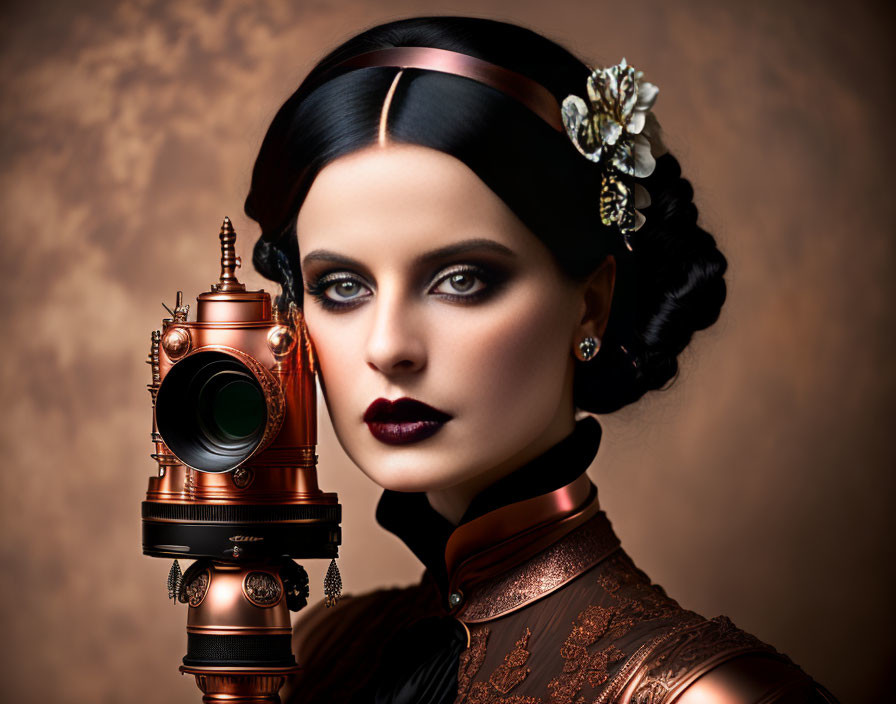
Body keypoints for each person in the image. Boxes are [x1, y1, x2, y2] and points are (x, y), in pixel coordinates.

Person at [244, 15, 837, 704]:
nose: (388, 348)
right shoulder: (330, 644)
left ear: (590, 303)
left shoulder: (706, 695)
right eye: (342, 287)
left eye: (461, 279)